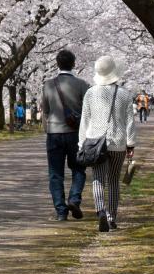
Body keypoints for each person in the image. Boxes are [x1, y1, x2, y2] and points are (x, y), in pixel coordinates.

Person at [79, 56, 136, 232]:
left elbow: (85, 120)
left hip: (96, 144)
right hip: (118, 143)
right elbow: (130, 122)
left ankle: (100, 211)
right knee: (113, 181)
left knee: (97, 180)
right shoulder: (125, 94)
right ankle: (111, 217)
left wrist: (81, 143)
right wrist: (130, 144)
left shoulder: (90, 93)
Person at [42, 49, 89, 221]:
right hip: (75, 134)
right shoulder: (82, 85)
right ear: (74, 63)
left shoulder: (48, 85)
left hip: (54, 133)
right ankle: (74, 198)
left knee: (55, 174)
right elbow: (88, 110)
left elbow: (45, 110)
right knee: (78, 169)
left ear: (57, 63)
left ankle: (61, 211)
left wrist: (47, 129)